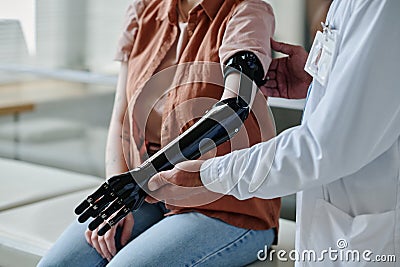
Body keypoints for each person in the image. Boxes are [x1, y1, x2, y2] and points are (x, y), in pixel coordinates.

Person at [147, 0, 400, 266]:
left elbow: (323, 147)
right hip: (335, 226)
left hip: (369, 240)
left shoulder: (381, 6)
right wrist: (318, 82)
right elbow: (368, 92)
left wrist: (208, 175)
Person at [38, 0, 281, 266]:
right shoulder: (144, 10)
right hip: (148, 192)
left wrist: (142, 178)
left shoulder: (247, 13)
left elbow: (235, 108)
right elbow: (121, 115)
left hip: (226, 203)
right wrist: (118, 200)